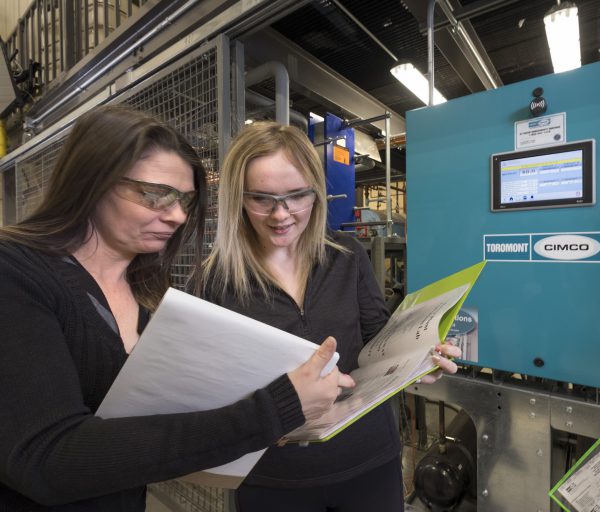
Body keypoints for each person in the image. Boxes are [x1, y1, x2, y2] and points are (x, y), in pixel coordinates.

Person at [0, 106, 352, 511]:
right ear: (90, 182)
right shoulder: (16, 273)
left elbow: (141, 434)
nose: (177, 216)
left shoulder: (145, 295)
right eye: (154, 195)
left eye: (185, 200)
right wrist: (272, 410)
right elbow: (46, 461)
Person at [198, 120, 461, 512]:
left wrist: (420, 359)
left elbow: (378, 344)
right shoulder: (216, 280)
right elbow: (202, 385)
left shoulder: (346, 256)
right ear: (238, 198)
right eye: (262, 198)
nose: (281, 214)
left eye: (296, 196)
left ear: (317, 194)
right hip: (275, 477)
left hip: (368, 460)